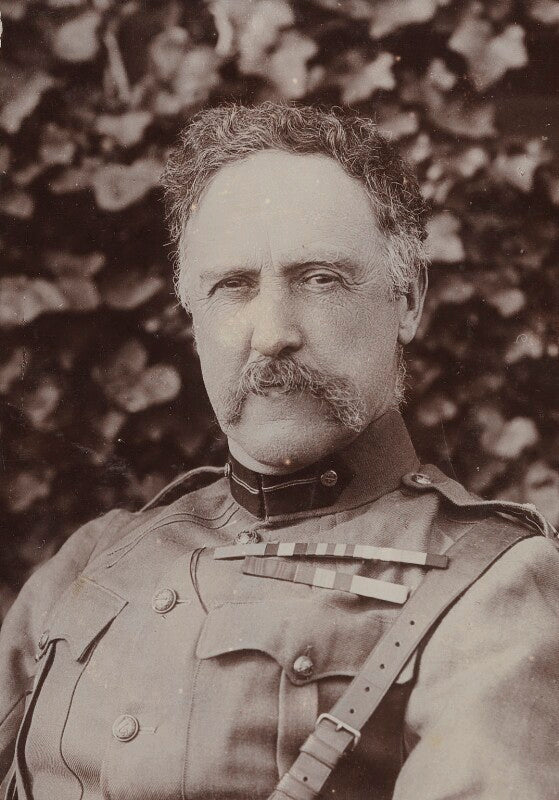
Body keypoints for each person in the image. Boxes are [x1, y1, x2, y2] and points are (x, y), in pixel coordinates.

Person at [1, 103, 558, 800]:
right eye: (231, 286)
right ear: (192, 313)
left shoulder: (491, 585)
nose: (271, 333)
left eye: (320, 279)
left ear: (407, 300)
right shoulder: (94, 558)